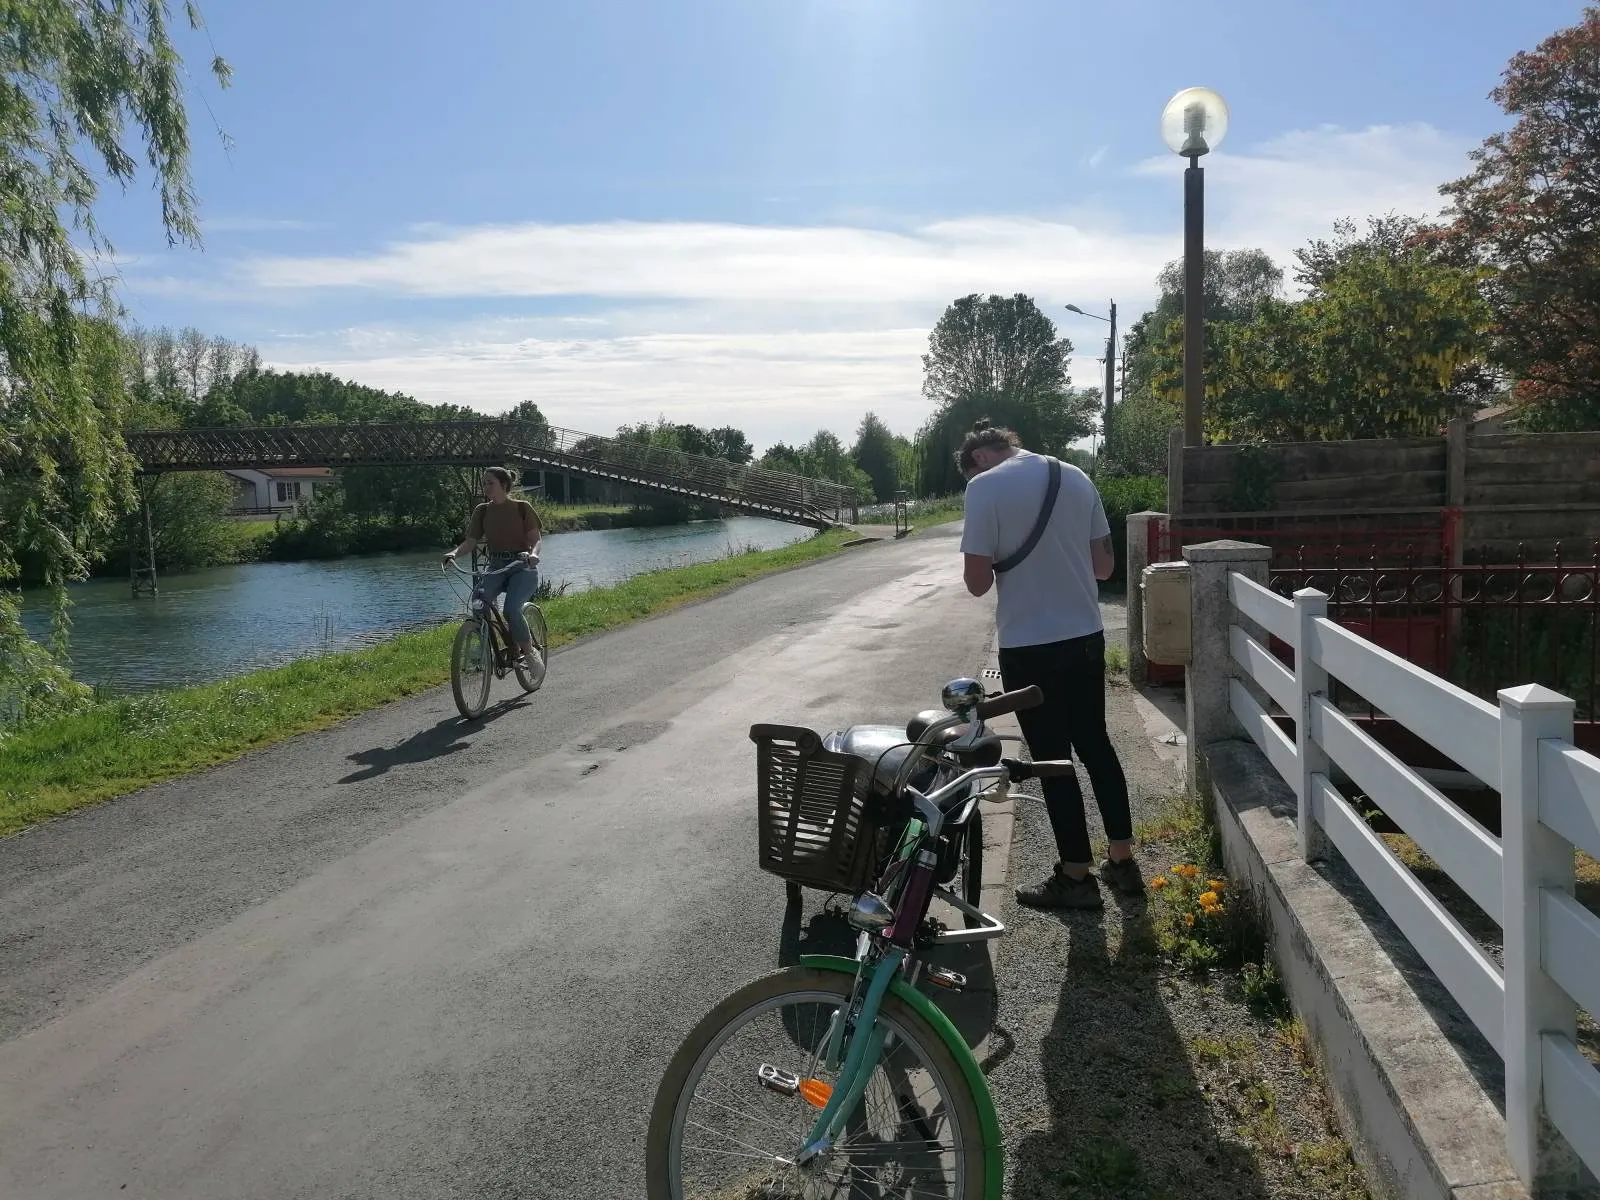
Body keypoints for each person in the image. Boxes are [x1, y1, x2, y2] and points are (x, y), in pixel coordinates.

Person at [958, 421, 1140, 909]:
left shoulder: (983, 488)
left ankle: (1076, 875)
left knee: (1054, 761)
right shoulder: (1076, 476)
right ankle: (1122, 859)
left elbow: (977, 583)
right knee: (1096, 745)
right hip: (1085, 635)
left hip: (1029, 645)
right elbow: (1104, 569)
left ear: (977, 458)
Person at [443, 467, 543, 666]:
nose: (486, 487)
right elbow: (470, 543)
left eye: (490, 483)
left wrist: (533, 555)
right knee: (479, 601)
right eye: (484, 483)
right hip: (496, 565)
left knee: (512, 609)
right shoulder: (482, 511)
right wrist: (454, 553)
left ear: (503, 485)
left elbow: (536, 540)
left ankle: (531, 654)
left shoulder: (522, 507)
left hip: (522, 566)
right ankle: (488, 648)